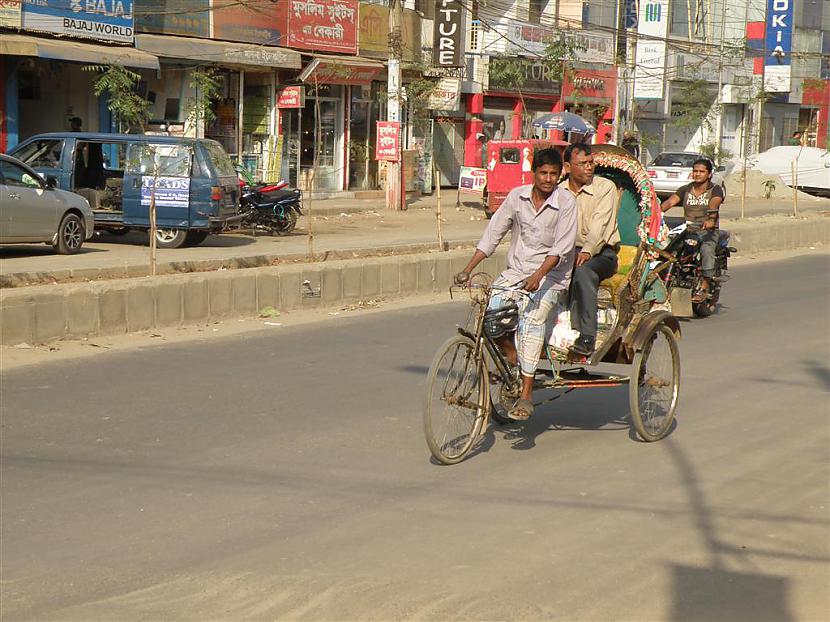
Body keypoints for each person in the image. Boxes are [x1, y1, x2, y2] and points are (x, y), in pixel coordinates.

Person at [454, 148, 577, 421]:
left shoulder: (566, 202)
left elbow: (561, 248)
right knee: (490, 316)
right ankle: (512, 357)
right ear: (534, 173)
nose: (547, 179)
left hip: (551, 278)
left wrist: (538, 276)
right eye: (543, 173)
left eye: (553, 174)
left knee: (531, 325)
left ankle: (526, 395)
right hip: (516, 273)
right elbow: (492, 234)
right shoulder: (516, 196)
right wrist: (467, 269)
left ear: (560, 176)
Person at [559, 143, 620, 359]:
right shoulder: (559, 192)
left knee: (583, 271)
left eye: (590, 162)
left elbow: (599, 227)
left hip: (601, 254)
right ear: (567, 167)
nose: (589, 167)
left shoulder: (605, 187)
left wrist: (586, 251)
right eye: (582, 163)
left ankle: (587, 336)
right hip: (567, 252)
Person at [660, 158, 724, 301]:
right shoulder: (686, 189)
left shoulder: (715, 189)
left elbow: (715, 202)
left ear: (709, 174)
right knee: (667, 250)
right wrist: (656, 211)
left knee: (707, 251)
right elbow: (671, 201)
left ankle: (704, 286)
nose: (698, 174)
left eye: (702, 171)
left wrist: (711, 218)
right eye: (695, 171)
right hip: (687, 229)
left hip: (707, 230)